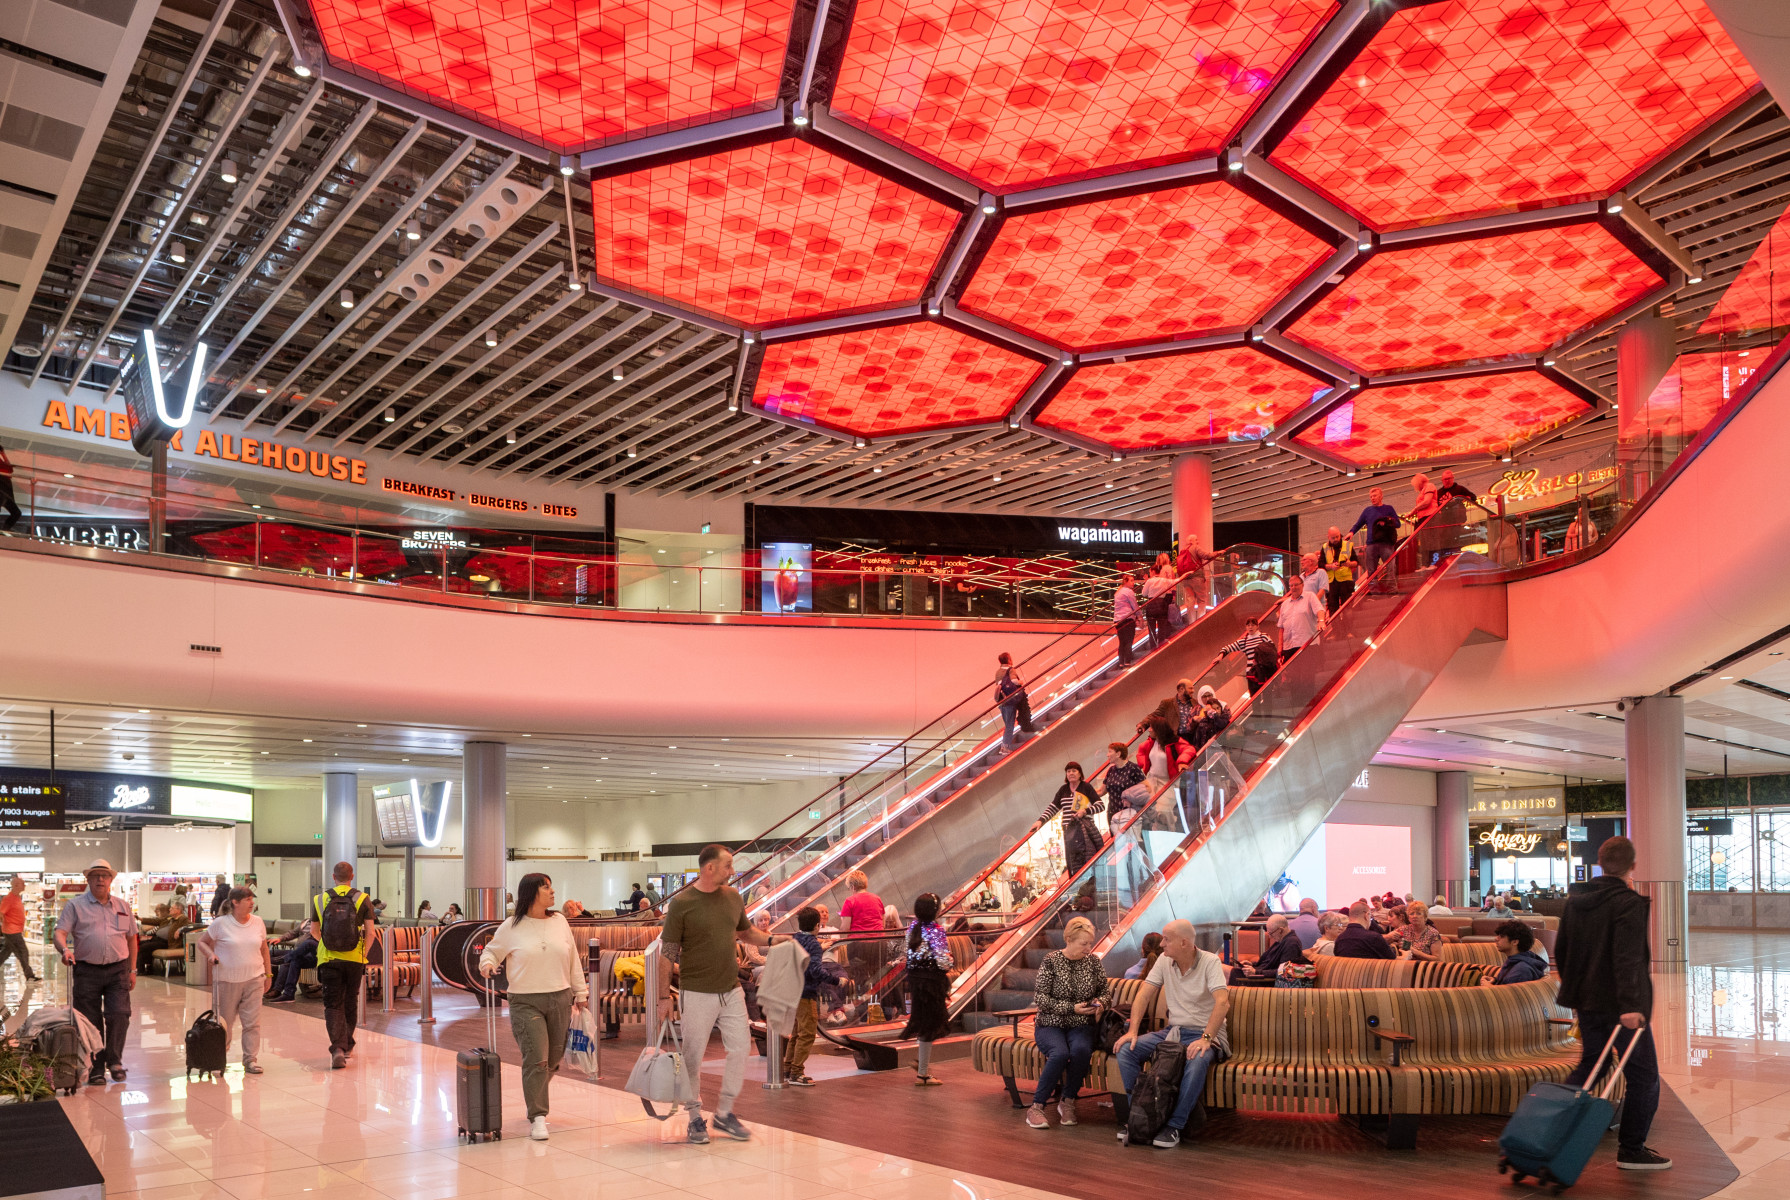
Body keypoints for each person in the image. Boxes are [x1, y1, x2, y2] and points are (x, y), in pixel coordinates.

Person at [1555, 835, 1666, 1170]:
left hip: (1587, 1001)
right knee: (1644, 1077)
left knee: (1593, 1065)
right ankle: (1631, 1149)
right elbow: (1627, 957)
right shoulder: (1628, 903)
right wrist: (1632, 1005)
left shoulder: (1576, 900)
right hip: (1621, 1008)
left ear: (1599, 863)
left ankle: (1549, 1128)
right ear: (1633, 865)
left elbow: (1562, 950)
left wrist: (1574, 992)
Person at [660, 844, 771, 1144]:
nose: (733, 871)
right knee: (693, 1057)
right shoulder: (682, 903)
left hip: (730, 989)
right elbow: (667, 953)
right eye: (728, 865)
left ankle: (723, 1113)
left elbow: (746, 933)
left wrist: (775, 939)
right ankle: (695, 1117)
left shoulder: (733, 898)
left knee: (740, 1047)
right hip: (696, 991)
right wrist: (661, 998)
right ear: (709, 868)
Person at [479, 873, 589, 1141]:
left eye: (552, 886)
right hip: (525, 1000)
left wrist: (581, 991)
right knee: (536, 1058)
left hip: (560, 997)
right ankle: (538, 1116)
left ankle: (535, 1091)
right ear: (531, 893)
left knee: (553, 1059)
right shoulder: (511, 926)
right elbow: (491, 952)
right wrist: (488, 965)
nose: (553, 892)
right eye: (546, 888)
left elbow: (572, 957)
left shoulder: (560, 921)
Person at [1115, 919, 1230, 1149]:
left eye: (1167, 939)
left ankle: (1175, 1125)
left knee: (1196, 1059)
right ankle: (1141, 1115)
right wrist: (1134, 1031)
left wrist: (1206, 1039)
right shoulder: (1165, 962)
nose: (1162, 944)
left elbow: (1223, 1003)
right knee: (1127, 1049)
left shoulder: (1209, 962)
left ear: (1184, 943)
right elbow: (1143, 995)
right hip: (1173, 1032)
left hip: (1206, 1033)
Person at [53, 859, 137, 1085]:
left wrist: (133, 969)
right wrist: (64, 949)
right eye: (95, 875)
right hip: (86, 970)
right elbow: (59, 932)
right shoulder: (75, 905)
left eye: (105, 875)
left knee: (120, 1014)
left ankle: (115, 1061)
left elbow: (131, 938)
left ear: (111, 880)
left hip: (118, 969)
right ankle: (96, 1066)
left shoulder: (122, 906)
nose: (100, 879)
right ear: (88, 879)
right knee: (90, 1020)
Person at [1026, 915, 1108, 1129]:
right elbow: (1041, 998)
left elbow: (1105, 992)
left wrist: (1099, 1003)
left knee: (1081, 1050)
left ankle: (1068, 1100)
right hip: (1050, 1023)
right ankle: (1036, 1107)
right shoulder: (1051, 961)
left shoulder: (1093, 962)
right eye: (1084, 943)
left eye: (1090, 943)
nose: (1088, 948)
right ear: (1069, 940)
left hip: (1081, 1024)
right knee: (1060, 1053)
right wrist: (1071, 1007)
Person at [308, 861, 377, 1070]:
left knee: (332, 1004)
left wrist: (327, 944)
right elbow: (371, 933)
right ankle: (347, 1045)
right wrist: (362, 953)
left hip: (328, 959)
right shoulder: (363, 899)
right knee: (350, 1001)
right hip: (354, 959)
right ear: (352, 876)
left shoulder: (319, 899)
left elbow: (313, 930)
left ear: (333, 876)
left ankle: (337, 1047)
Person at [197, 887, 270, 1074]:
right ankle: (218, 1059)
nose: (252, 902)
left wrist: (268, 975)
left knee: (252, 1023)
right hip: (227, 980)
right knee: (223, 1023)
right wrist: (211, 955)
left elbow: (264, 950)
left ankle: (250, 1060)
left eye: (252, 898)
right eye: (247, 899)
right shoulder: (221, 923)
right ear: (235, 902)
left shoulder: (258, 922)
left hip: (254, 978)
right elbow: (202, 942)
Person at [900, 892, 953, 1086]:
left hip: (915, 980)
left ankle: (922, 1065)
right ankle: (922, 1072)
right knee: (932, 1024)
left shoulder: (913, 927)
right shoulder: (936, 930)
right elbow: (942, 959)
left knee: (924, 1021)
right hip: (932, 982)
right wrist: (950, 962)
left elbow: (909, 953)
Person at [781, 907, 831, 1087]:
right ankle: (796, 1072)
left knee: (796, 1032)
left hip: (792, 991)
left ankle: (788, 1068)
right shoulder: (813, 944)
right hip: (806, 992)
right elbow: (816, 970)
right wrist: (835, 980)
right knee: (807, 1033)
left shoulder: (795, 938)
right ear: (817, 925)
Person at [1030, 763, 1106, 880]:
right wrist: (1040, 821)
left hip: (1083, 830)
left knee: (1086, 858)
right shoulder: (1063, 789)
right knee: (1072, 861)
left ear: (1080, 773)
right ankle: (1078, 885)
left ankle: (1089, 885)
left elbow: (1100, 806)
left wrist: (1085, 811)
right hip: (1069, 832)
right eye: (1068, 771)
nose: (1071, 773)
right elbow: (1053, 808)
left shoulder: (1086, 787)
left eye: (1074, 771)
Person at [1348, 486, 1401, 588]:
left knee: (1390, 567)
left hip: (1386, 543)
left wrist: (1387, 521)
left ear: (1381, 496)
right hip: (1371, 544)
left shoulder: (1389, 509)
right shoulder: (1367, 511)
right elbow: (1358, 524)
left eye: (1375, 496)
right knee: (1371, 570)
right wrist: (1351, 532)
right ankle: (1374, 592)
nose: (1372, 498)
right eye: (1371, 496)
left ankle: (1392, 589)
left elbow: (1398, 523)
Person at [1230, 914, 1305, 984]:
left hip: (1265, 980)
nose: (1270, 937)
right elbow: (1269, 962)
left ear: (1280, 930)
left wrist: (1256, 972)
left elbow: (1284, 971)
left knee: (1227, 971)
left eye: (1271, 933)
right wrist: (1252, 965)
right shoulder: (1282, 940)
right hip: (1260, 975)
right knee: (1227, 970)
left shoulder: (1291, 944)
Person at [1219, 616, 1279, 696]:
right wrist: (1220, 655)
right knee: (1254, 697)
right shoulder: (1244, 641)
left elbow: (1272, 651)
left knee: (1267, 696)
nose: (1250, 627)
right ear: (1246, 627)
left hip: (1263, 671)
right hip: (1251, 673)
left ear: (1257, 626)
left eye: (1253, 625)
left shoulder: (1263, 637)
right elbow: (1228, 648)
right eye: (1248, 625)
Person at [1275, 573, 1325, 666]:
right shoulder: (1285, 604)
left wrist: (1321, 621)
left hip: (1307, 645)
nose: (1294, 587)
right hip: (1289, 647)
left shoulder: (1310, 596)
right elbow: (1281, 628)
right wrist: (1280, 648)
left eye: (1296, 584)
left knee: (1307, 676)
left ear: (1302, 585)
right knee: (1293, 678)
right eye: (1291, 585)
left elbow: (1320, 609)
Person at [1, 876, 39, 981]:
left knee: (5, 952)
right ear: (16, 885)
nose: (25, 885)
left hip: (14, 930)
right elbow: (1, 913)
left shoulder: (17, 897)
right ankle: (30, 976)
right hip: (12, 931)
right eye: (23, 884)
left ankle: (29, 975)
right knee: (23, 952)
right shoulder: (8, 899)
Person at [265, 924, 317, 1002]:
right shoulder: (306, 922)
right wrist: (280, 939)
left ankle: (277, 990)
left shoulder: (322, 923)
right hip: (296, 951)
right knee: (269, 954)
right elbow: (293, 933)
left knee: (291, 960)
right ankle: (270, 986)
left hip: (309, 954)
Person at [994, 652, 1033, 750]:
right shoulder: (1011, 670)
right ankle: (1005, 748)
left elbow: (998, 685)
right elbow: (1014, 681)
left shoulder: (998, 672)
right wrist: (1021, 682)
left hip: (1002, 701)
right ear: (1008, 659)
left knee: (1008, 725)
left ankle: (1004, 747)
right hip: (1011, 700)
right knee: (1010, 726)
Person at [1490, 920, 1548, 985]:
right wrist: (1495, 980)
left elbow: (1511, 994)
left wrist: (1488, 987)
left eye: (1501, 936)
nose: (1496, 939)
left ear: (1515, 942)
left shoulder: (1521, 970)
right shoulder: (1515, 961)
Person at [1319, 527, 1356, 614]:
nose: (1335, 539)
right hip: (1331, 583)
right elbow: (1320, 564)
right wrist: (1331, 566)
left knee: (1348, 608)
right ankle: (1336, 628)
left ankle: (1348, 627)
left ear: (1340, 535)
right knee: (1332, 609)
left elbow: (1356, 562)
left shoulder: (1347, 545)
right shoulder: (1325, 547)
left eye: (1337, 537)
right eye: (1333, 538)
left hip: (1346, 582)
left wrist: (1349, 564)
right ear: (1328, 537)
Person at [1103, 741, 1145, 814]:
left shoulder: (1133, 768)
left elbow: (1145, 787)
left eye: (1110, 752)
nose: (1107, 755)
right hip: (1113, 813)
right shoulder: (1111, 770)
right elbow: (1101, 791)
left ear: (1118, 754)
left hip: (1130, 812)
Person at [1140, 562, 1176, 649]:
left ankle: (1153, 648)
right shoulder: (1164, 580)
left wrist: (1147, 583)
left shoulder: (1149, 581)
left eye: (1150, 572)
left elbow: (1144, 593)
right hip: (1162, 604)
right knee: (1162, 627)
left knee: (1151, 629)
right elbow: (1175, 581)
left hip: (1151, 605)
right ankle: (1161, 646)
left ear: (1152, 571)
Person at [1113, 572, 1141, 667]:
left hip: (1118, 620)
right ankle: (1127, 661)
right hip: (1127, 619)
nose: (1133, 583)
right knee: (1129, 640)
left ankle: (1121, 662)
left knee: (1122, 642)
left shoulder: (1118, 592)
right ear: (1126, 582)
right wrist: (1139, 617)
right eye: (1131, 581)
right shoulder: (1129, 592)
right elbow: (1134, 605)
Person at [0, 440, 19, 532]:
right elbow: (8, 469)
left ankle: (4, 530)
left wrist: (3, 454)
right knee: (16, 512)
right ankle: (4, 530)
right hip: (2, 489)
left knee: (16, 513)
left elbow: (9, 469)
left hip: (5, 490)